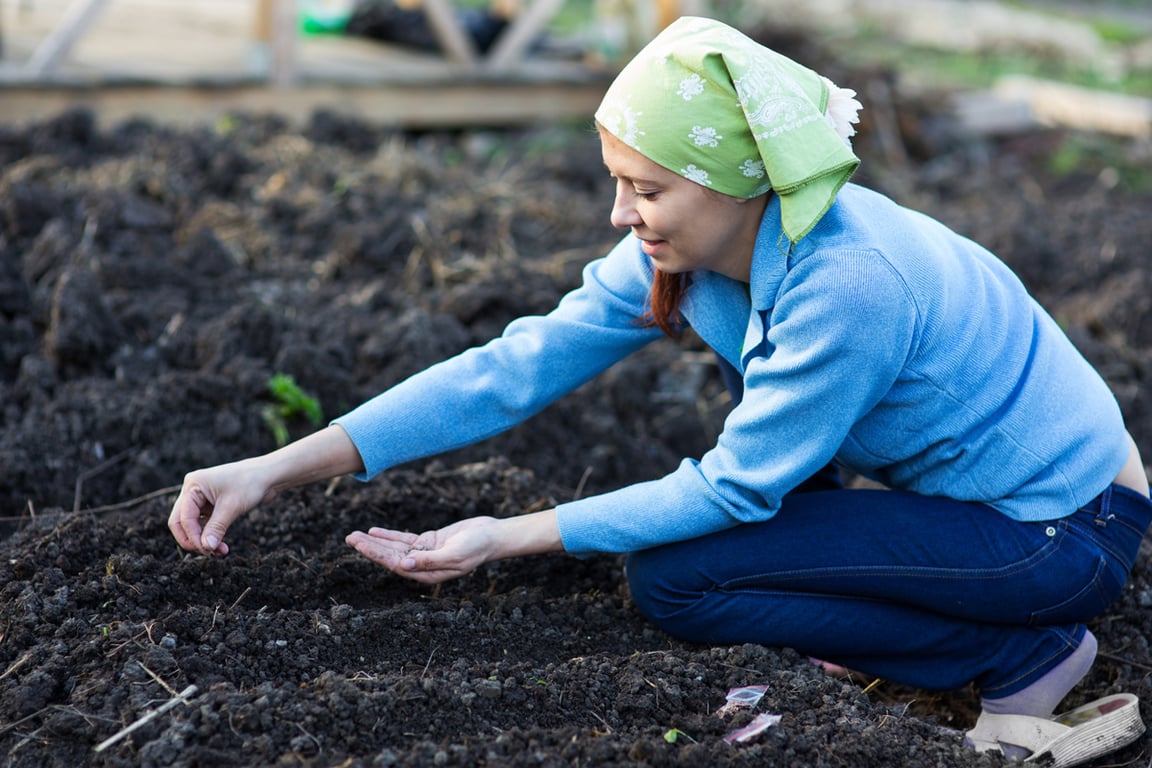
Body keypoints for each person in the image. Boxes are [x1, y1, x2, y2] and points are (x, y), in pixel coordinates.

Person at [169, 17, 1151, 766]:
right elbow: (511, 368)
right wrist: (276, 466)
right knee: (694, 553)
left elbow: (736, 487)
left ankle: (1022, 660)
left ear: (736, 180)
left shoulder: (848, 283)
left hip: (1062, 528)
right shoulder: (697, 253)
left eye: (644, 188)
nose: (618, 212)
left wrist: (505, 531)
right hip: (959, 502)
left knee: (679, 577)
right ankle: (915, 629)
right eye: (617, 181)